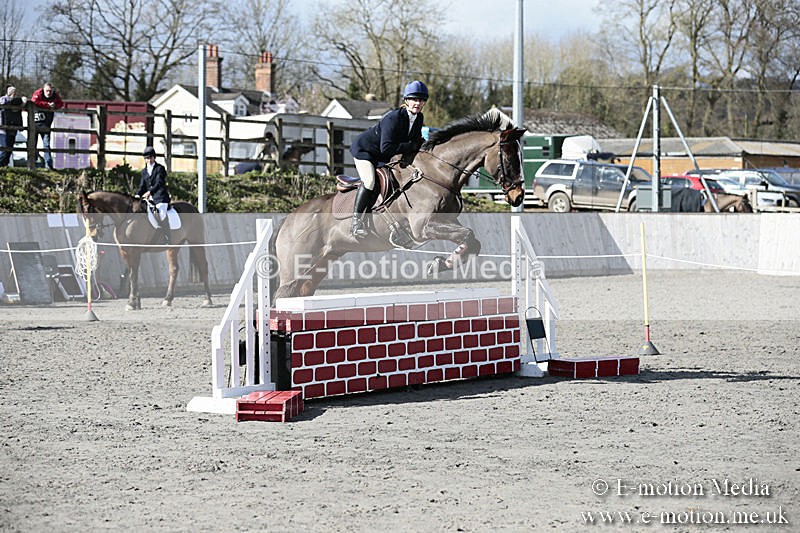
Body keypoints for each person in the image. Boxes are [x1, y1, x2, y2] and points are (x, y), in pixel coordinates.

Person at [348, 80, 428, 238]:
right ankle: (356, 222)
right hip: (365, 151)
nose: (418, 103)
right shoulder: (393, 118)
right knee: (370, 181)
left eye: (421, 100)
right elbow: (387, 148)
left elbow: (416, 141)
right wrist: (412, 146)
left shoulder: (419, 118)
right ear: (406, 100)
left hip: (383, 155)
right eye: (414, 99)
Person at [137, 146, 171, 244]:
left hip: (160, 197)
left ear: (154, 157)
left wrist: (150, 192)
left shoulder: (160, 168)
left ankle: (167, 236)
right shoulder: (144, 171)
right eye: (146, 158)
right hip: (149, 199)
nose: (148, 160)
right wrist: (137, 195)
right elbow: (142, 186)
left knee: (161, 214)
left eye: (150, 157)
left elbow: (159, 183)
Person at [30, 82, 65, 170]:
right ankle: (31, 165)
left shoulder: (55, 96)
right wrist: (47, 105)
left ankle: (48, 165)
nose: (49, 93)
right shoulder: (38, 93)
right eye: (47, 91)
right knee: (32, 145)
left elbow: (61, 104)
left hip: (46, 125)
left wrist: (54, 106)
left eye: (50, 91)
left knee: (46, 145)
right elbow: (34, 101)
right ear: (43, 89)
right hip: (35, 125)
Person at [0, 86, 26, 167]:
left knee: (10, 148)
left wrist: (23, 101)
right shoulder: (3, 99)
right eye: (13, 93)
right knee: (5, 148)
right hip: (4, 128)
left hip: (13, 127)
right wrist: (11, 99)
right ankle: (1, 164)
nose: (14, 94)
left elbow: (22, 104)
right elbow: (3, 103)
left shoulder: (18, 102)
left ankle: (4, 165)